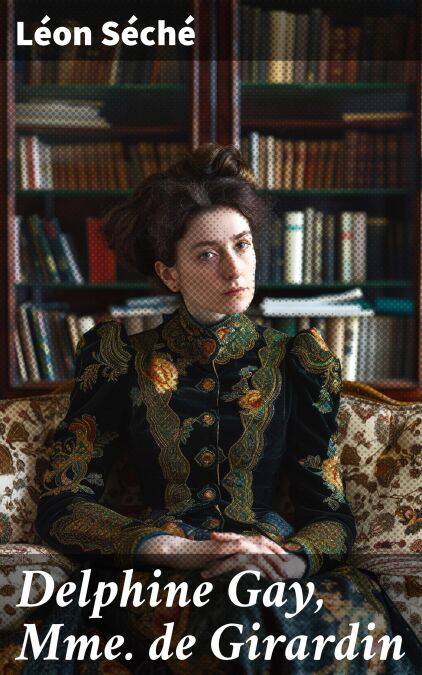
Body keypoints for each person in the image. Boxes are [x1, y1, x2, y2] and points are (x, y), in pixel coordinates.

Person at [2, 144, 419, 673]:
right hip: (159, 572)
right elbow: (63, 506)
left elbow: (329, 514)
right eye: (206, 254)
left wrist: (292, 561)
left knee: (259, 610)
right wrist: (169, 549)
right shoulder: (120, 360)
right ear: (170, 274)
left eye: (242, 245)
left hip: (269, 568)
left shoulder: (296, 362)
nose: (234, 268)